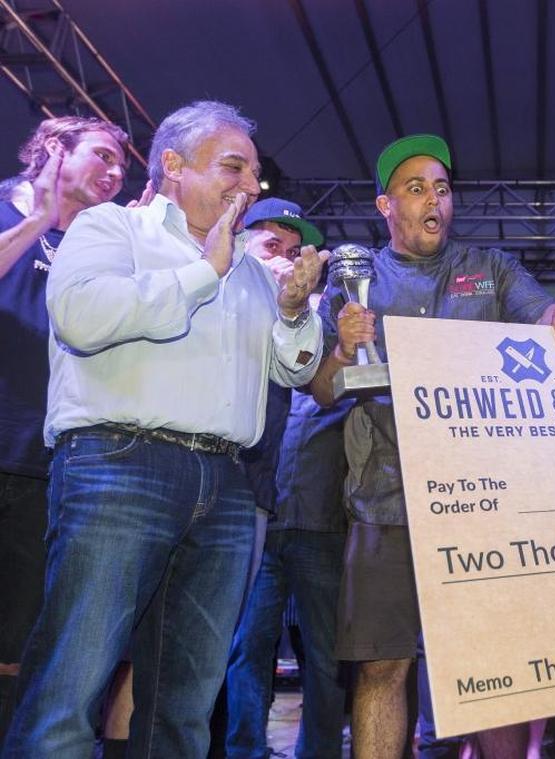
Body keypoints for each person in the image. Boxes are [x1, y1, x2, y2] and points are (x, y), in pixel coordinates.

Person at [2, 100, 326, 759]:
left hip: (227, 486)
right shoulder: (112, 230)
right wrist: (202, 270)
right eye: (233, 167)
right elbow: (82, 316)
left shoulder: (249, 270)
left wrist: (294, 315)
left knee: (184, 705)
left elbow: (292, 370)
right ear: (173, 166)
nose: (249, 185)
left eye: (254, 174)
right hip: (118, 463)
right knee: (70, 687)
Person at [307, 133, 555, 759]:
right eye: (416, 189)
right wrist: (342, 348)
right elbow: (324, 391)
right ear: (386, 206)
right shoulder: (352, 284)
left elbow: (540, 312)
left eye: (441, 188)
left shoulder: (490, 269)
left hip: (487, 506)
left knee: (496, 674)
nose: (433, 200)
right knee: (382, 670)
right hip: (384, 503)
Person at [0, 116, 128, 743]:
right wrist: (37, 219)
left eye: (123, 167)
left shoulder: (97, 246)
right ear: (55, 149)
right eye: (103, 155)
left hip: (44, 464)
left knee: (19, 643)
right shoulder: (3, 206)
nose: (114, 173)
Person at [222, 197, 352, 759]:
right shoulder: (234, 309)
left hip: (321, 516)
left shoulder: (333, 321)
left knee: (325, 656)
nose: (288, 260)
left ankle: (319, 752)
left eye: (297, 251)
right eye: (273, 245)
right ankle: (243, 748)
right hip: (253, 511)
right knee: (245, 647)